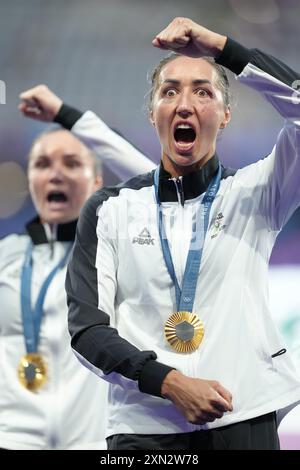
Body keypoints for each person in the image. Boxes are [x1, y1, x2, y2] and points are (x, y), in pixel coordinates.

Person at [66, 17, 300, 450]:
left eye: (203, 91)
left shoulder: (256, 192)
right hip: (144, 430)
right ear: (153, 112)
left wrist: (222, 48)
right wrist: (168, 383)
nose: (184, 104)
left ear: (226, 115)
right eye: (169, 91)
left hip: (244, 417)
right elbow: (87, 331)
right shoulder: (108, 210)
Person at [0, 85, 154, 450]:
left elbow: (164, 189)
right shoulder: (5, 255)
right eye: (42, 164)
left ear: (98, 180)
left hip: (93, 442)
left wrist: (69, 117)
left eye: (72, 163)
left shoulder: (119, 250)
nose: (55, 174)